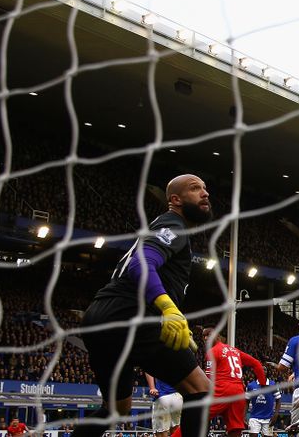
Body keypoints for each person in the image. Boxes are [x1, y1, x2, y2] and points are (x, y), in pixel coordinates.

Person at [74, 174, 212, 437]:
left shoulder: (164, 228)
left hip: (99, 317)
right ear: (175, 200)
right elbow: (140, 263)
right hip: (132, 314)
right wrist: (168, 308)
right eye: (195, 189)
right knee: (200, 387)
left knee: (117, 409)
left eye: (205, 188)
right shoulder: (174, 224)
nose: (205, 193)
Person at [203, 327, 267, 437]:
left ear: (216, 336)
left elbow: (209, 377)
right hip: (238, 392)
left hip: (222, 389)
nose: (205, 338)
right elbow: (256, 363)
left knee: (196, 417)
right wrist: (263, 384)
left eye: (208, 335)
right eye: (203, 336)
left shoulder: (212, 351)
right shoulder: (235, 351)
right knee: (235, 430)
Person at [246, 371, 281, 437]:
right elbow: (246, 401)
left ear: (267, 372)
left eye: (265, 369)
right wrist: (244, 415)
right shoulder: (251, 385)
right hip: (254, 417)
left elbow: (278, 400)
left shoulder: (273, 384)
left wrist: (276, 415)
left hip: (269, 418)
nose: (263, 371)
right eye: (260, 369)